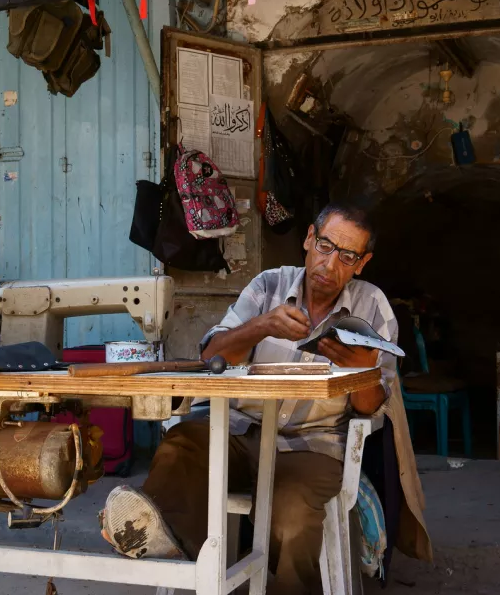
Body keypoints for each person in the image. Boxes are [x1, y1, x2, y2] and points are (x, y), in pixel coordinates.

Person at [101, 202, 432, 594]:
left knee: (292, 520)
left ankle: (276, 582)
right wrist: (261, 326)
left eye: (347, 256)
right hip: (239, 431)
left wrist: (361, 371)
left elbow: (371, 408)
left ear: (362, 263)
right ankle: (164, 539)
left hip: (312, 446)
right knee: (182, 446)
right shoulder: (268, 285)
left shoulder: (371, 306)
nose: (330, 264)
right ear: (309, 239)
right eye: (325, 246)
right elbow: (211, 358)